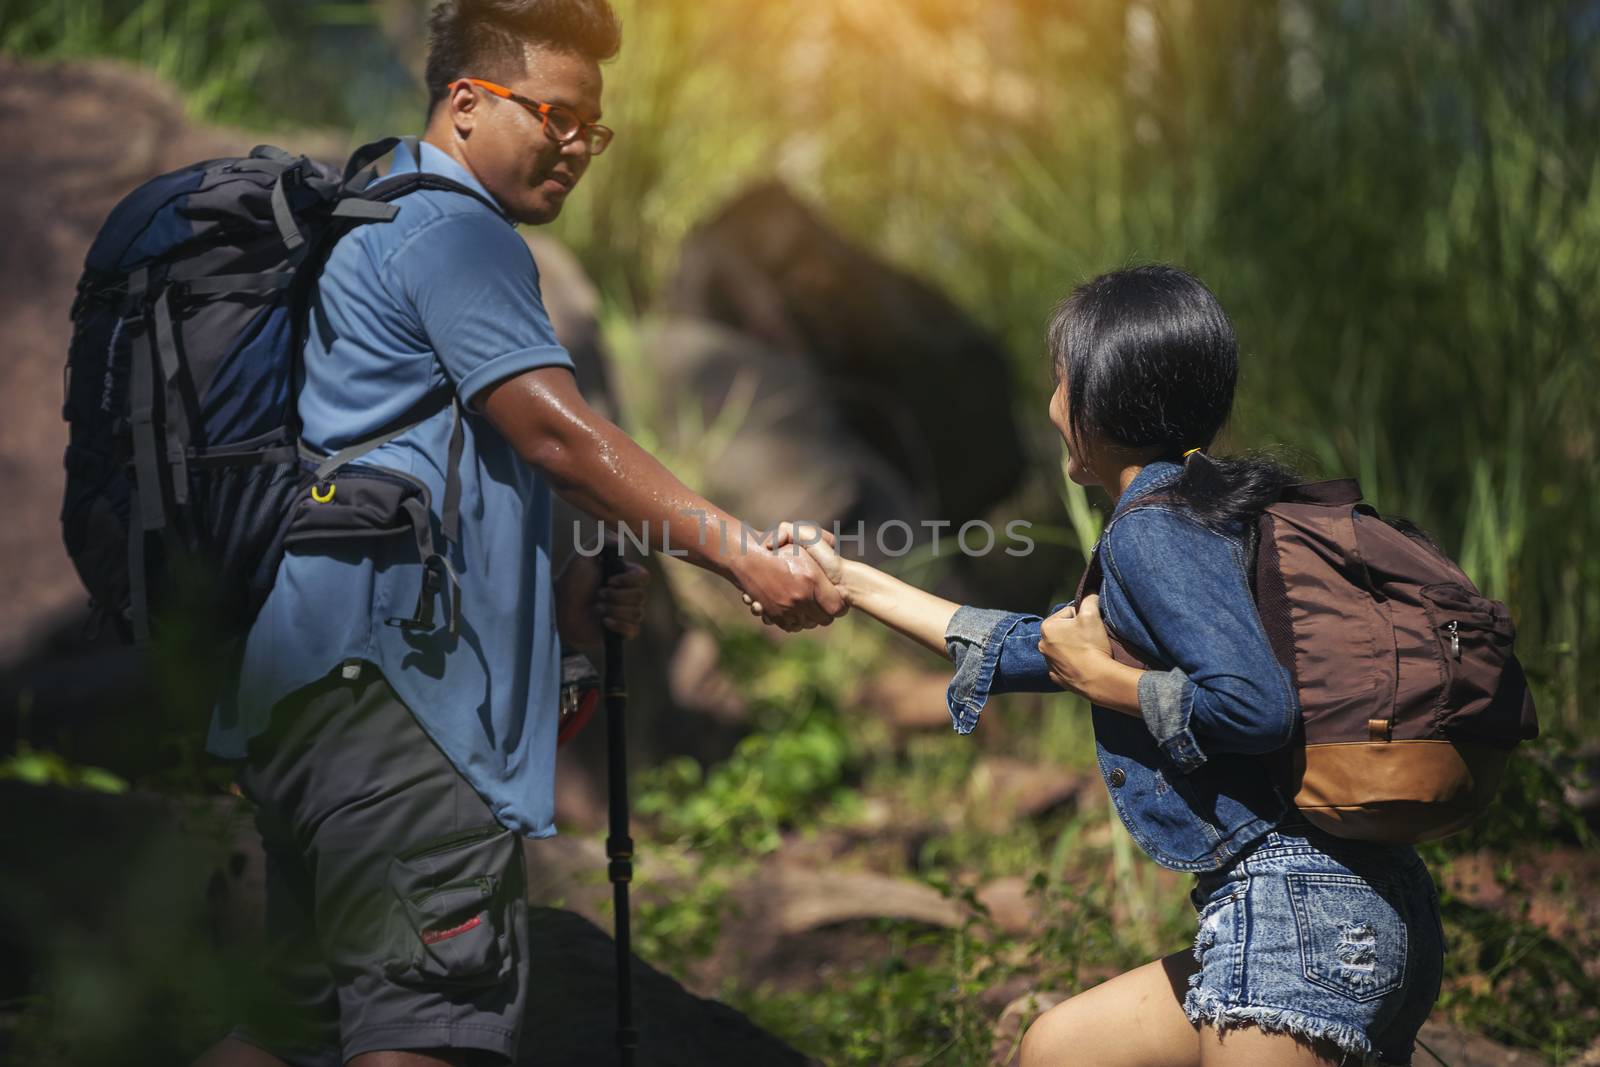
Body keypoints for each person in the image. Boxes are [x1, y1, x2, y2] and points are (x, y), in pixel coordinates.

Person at [197, 2, 843, 1065]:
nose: (578, 147)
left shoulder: (370, 211)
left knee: (288, 1027)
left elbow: (441, 459)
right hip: (409, 718)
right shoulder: (459, 232)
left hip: (311, 695)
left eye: (594, 127)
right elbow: (554, 432)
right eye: (556, 117)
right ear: (465, 103)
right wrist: (739, 554)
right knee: (423, 1032)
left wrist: (572, 594)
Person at [765, 265, 1444, 1066]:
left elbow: (1256, 706)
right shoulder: (1207, 511)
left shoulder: (1149, 533)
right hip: (1363, 896)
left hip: (1297, 916)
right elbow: (1038, 645)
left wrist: (1106, 681)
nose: (1051, 406)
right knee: (1057, 1048)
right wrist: (850, 579)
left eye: (1059, 379)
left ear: (1092, 397)